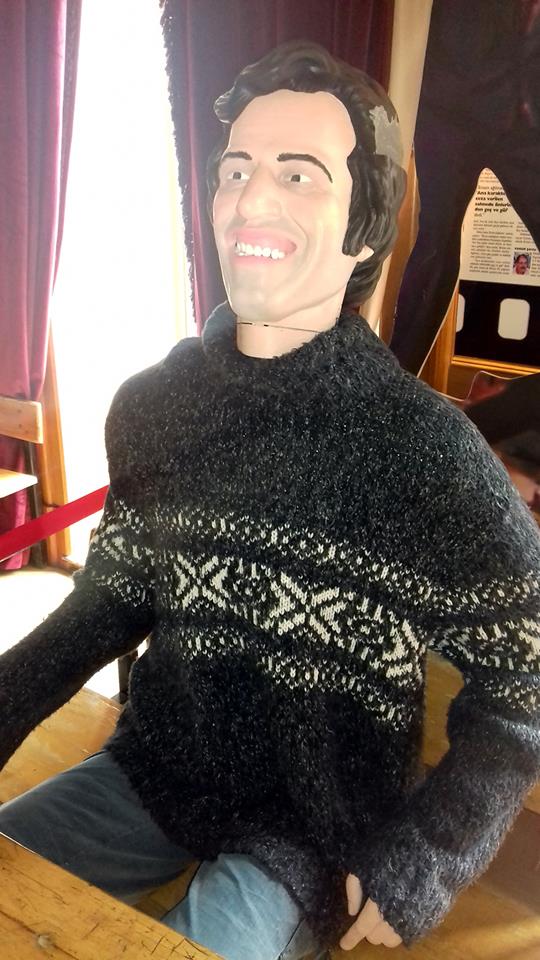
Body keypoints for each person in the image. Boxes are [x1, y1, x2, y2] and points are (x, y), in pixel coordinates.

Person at [0, 41, 539, 960]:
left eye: (299, 175)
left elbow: (520, 683)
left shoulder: (425, 453)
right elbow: (111, 598)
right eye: (236, 169)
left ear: (364, 228)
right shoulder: (153, 405)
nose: (252, 199)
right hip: (154, 771)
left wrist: (430, 853)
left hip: (314, 826)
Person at [390, 0, 540, 374]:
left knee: (436, 243)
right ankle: (396, 380)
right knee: (436, 242)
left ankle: (396, 379)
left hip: (517, 100)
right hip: (449, 98)